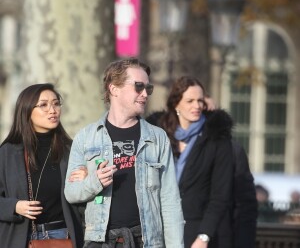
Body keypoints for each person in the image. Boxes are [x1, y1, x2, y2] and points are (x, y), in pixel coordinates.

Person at [64, 58, 184, 248]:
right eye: (138, 86)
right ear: (114, 89)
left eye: (148, 88)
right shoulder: (86, 137)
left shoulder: (157, 137)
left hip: (146, 241)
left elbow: (169, 201)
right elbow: (71, 193)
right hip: (100, 241)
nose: (145, 94)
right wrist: (94, 182)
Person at [148, 76, 234, 248]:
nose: (197, 106)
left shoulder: (217, 139)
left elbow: (220, 196)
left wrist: (204, 236)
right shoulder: (156, 135)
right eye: (190, 101)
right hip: (158, 229)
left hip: (197, 232)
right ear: (176, 103)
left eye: (200, 101)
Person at [0, 83, 85, 248]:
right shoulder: (8, 152)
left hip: (63, 236)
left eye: (56, 103)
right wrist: (14, 206)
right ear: (26, 110)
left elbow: (86, 200)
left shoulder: (72, 149)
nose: (52, 110)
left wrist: (88, 179)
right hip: (20, 237)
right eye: (43, 105)